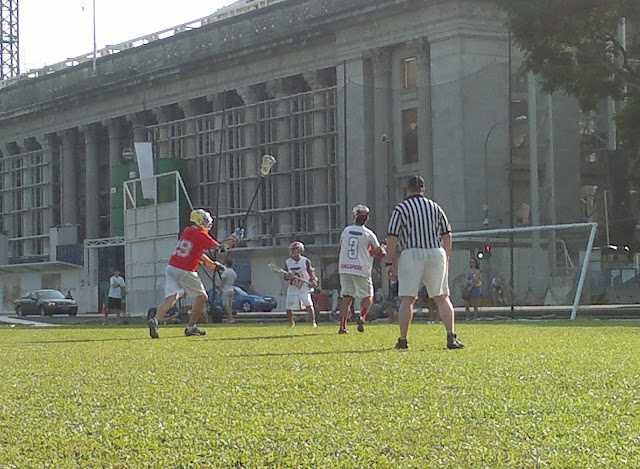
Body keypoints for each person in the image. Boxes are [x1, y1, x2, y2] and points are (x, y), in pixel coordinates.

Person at [385, 175, 464, 350]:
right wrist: (446, 256)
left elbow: (392, 237)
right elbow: (447, 234)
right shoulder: (435, 207)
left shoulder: (401, 209)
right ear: (423, 189)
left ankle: (404, 339)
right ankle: (451, 335)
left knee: (407, 298)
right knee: (442, 297)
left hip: (411, 252)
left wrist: (389, 262)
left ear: (407, 190)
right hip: (435, 252)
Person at [148, 209, 234, 339]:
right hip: (185, 269)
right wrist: (233, 240)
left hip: (172, 267)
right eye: (205, 221)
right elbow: (221, 249)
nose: (208, 224)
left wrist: (212, 265)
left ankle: (155, 320)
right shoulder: (201, 234)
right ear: (200, 221)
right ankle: (191, 327)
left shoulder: (188, 231)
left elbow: (198, 253)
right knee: (202, 297)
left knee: (172, 297)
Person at [337, 204, 386, 334]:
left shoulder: (346, 230)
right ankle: (362, 316)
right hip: (361, 268)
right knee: (368, 295)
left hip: (344, 267)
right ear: (367, 218)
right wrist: (382, 248)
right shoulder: (369, 234)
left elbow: (341, 248)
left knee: (346, 297)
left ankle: (343, 326)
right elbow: (380, 253)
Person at [283, 241, 318, 328]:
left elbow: (311, 272)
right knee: (289, 306)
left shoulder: (305, 261)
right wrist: (289, 276)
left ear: (299, 250)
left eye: (294, 250)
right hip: (293, 287)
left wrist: (313, 280)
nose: (292, 252)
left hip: (304, 286)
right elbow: (285, 276)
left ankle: (313, 322)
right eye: (292, 250)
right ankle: (291, 323)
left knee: (308, 304)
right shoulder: (288, 262)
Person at [220, 258, 237, 324]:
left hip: (226, 289)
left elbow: (223, 280)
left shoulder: (226, 272)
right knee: (230, 305)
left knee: (226, 305)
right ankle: (229, 319)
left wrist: (220, 289)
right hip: (231, 288)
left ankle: (231, 319)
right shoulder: (233, 272)